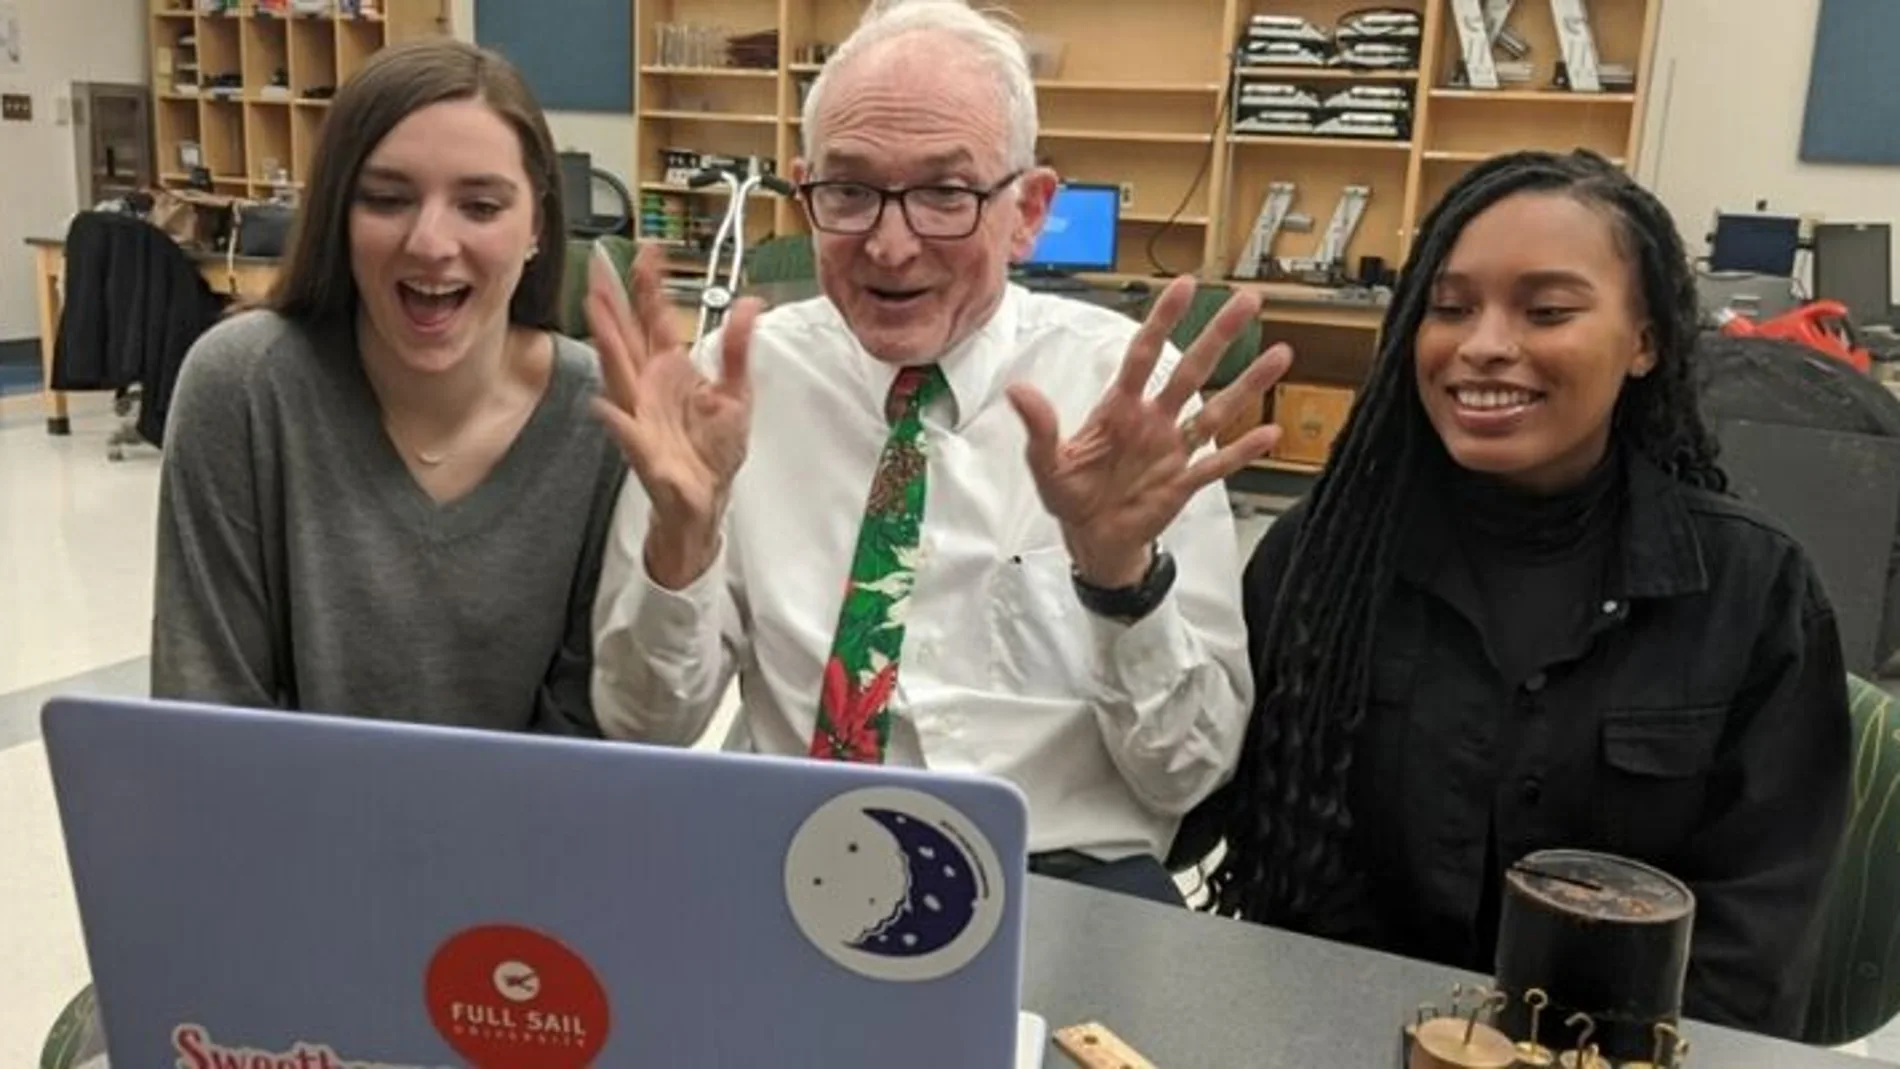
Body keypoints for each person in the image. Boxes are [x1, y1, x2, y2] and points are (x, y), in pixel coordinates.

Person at [586, 0, 1291, 902]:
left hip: (1060, 877)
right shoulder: (728, 392)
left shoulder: (1125, 401)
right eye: (848, 191)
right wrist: (681, 544)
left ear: (1029, 209)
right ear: (806, 191)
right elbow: (642, 732)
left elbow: (1186, 776)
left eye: (945, 194)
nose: (889, 242)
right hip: (791, 856)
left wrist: (1120, 578)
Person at [1194, 150, 1850, 1037]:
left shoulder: (1753, 591)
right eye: (1450, 307)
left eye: (1546, 310)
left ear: (1647, 339)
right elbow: (1198, 820)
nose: (1484, 344)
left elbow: (1754, 944)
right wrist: (1121, 579)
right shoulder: (1321, 560)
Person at [150, 37, 624, 735]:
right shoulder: (242, 386)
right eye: (386, 198)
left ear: (538, 228)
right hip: (288, 836)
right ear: (337, 215)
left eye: (482, 206)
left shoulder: (604, 416)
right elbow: (209, 714)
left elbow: (589, 738)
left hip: (527, 836)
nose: (431, 241)